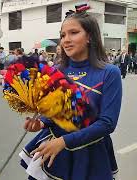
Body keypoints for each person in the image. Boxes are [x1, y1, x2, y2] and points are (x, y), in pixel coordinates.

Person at [21, 5, 122, 180]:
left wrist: (64, 142)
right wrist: (42, 124)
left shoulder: (109, 73)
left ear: (89, 36)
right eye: (62, 35)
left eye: (73, 33)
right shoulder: (57, 71)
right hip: (55, 153)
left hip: (91, 154)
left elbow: (107, 124)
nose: (66, 40)